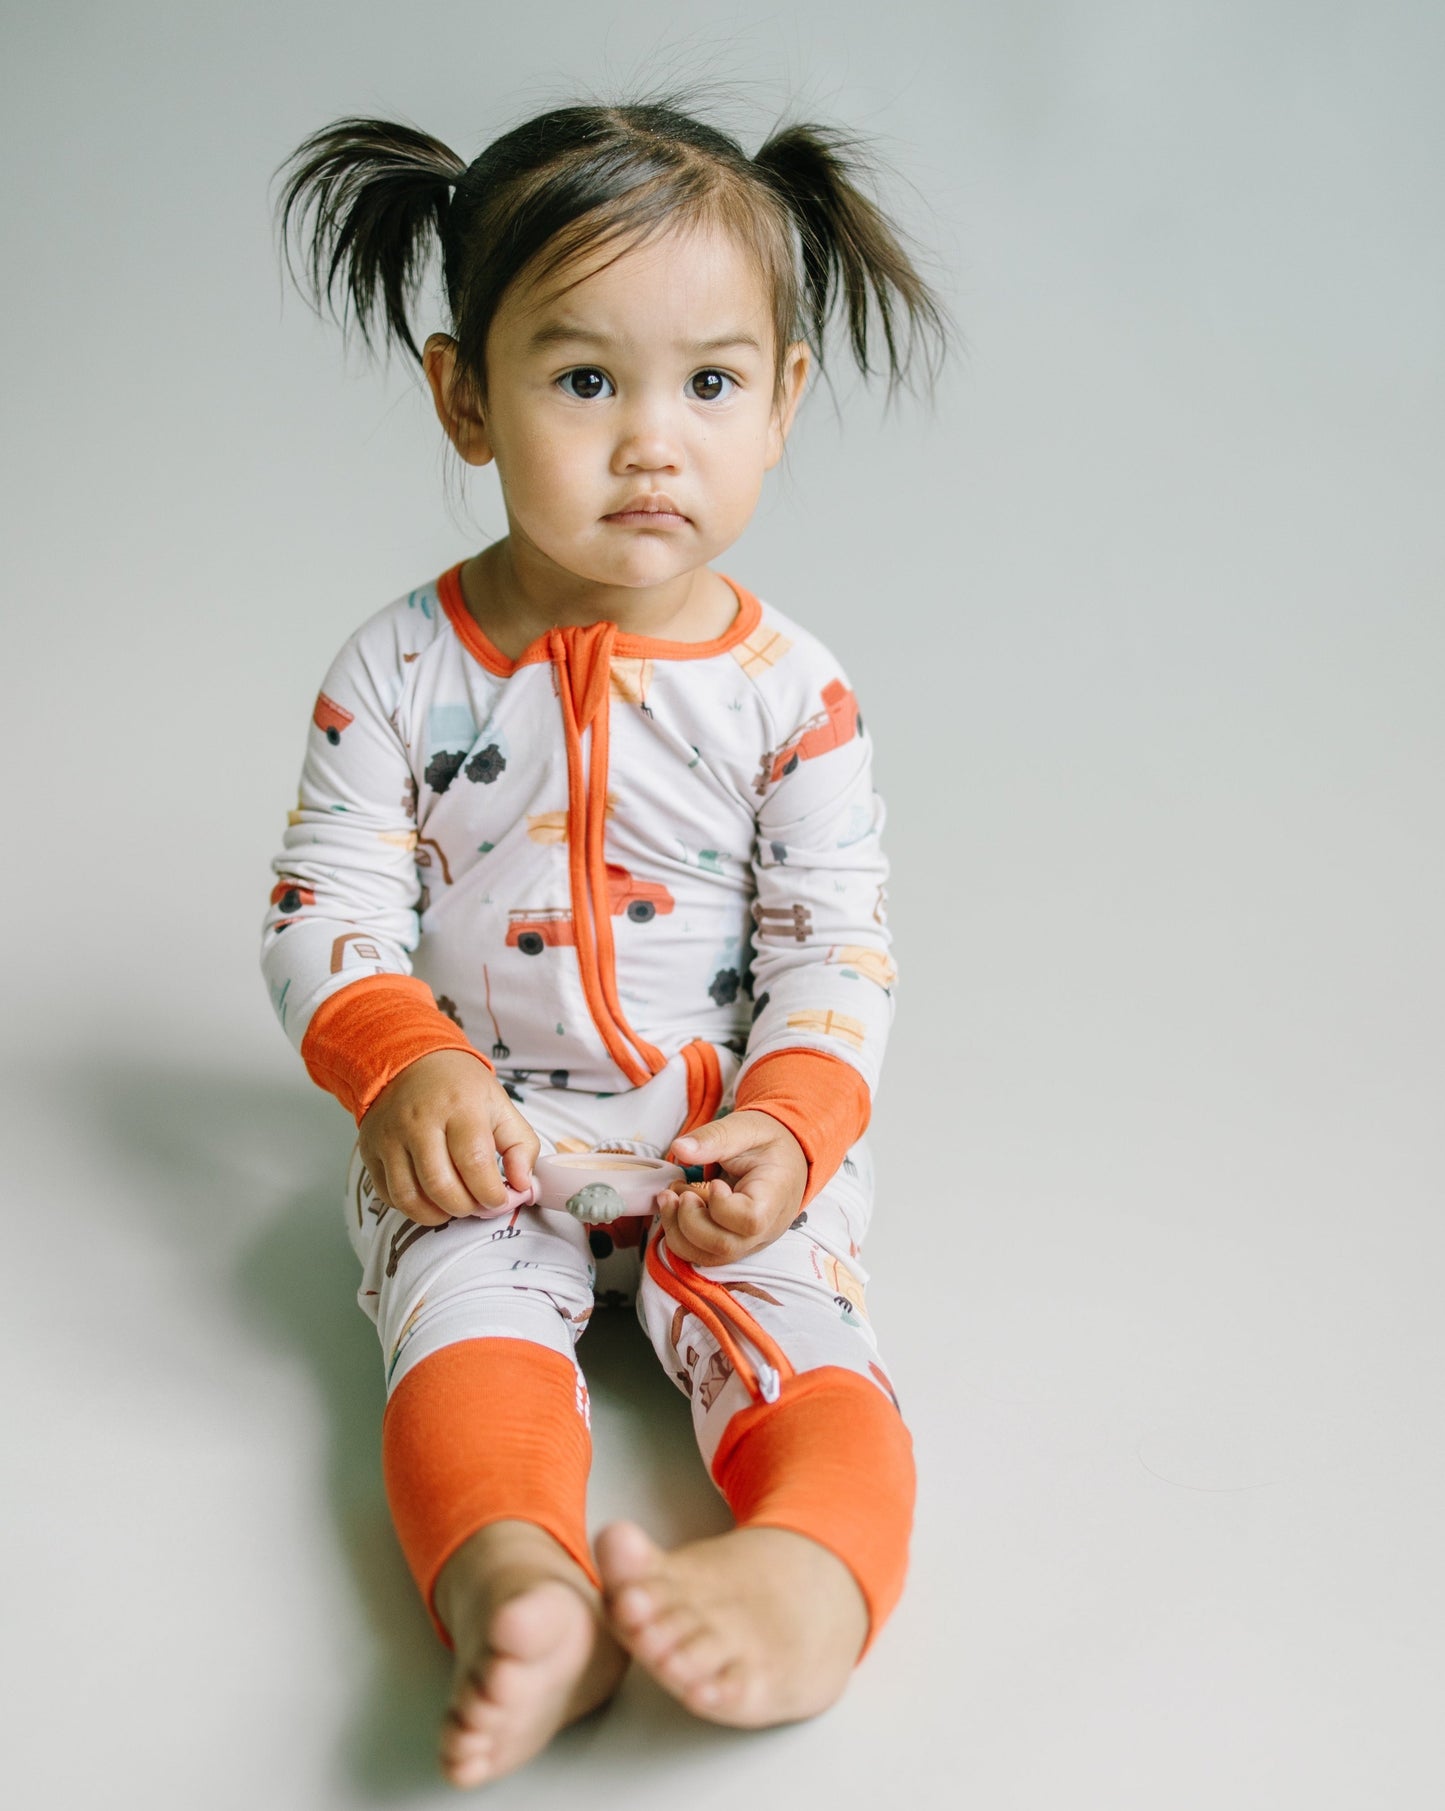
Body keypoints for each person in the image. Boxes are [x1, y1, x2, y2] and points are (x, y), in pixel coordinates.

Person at [265, 95, 950, 1789]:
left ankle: (806, 1571)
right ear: (464, 397)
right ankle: (516, 1576)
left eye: (708, 383)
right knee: (463, 1341)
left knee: (816, 1356)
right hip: (484, 1141)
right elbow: (324, 904)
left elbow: (836, 945)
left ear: (782, 403)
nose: (652, 440)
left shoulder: (793, 694)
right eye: (584, 380)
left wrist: (792, 1130)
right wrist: (403, 1065)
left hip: (726, 1145)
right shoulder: (397, 672)